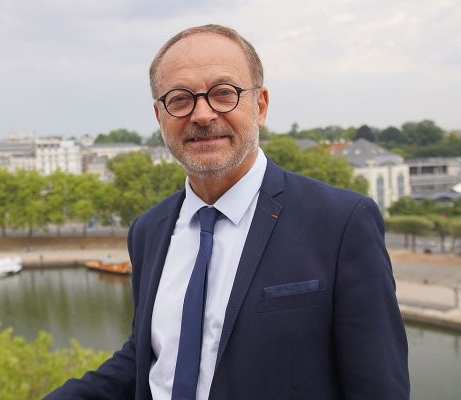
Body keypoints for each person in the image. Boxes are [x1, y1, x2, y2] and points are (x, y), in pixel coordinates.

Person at [44, 24, 410, 400]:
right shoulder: (148, 230)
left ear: (261, 105)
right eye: (180, 99)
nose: (202, 115)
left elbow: (379, 388)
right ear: (159, 117)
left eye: (223, 93)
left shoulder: (341, 223)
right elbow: (152, 354)